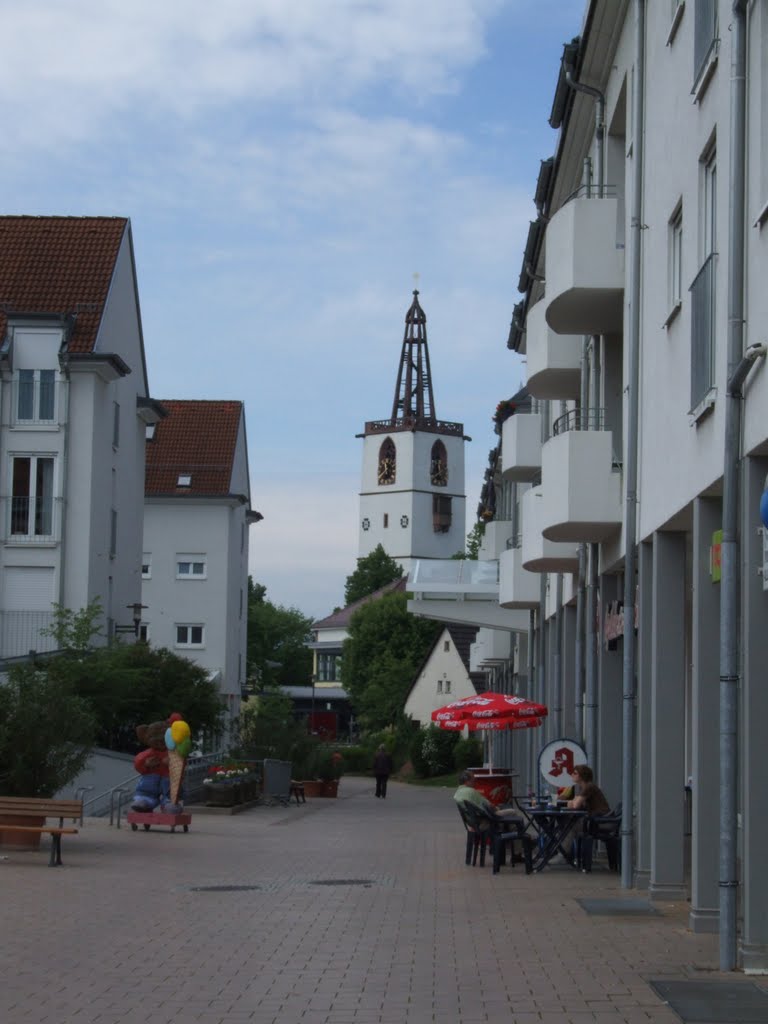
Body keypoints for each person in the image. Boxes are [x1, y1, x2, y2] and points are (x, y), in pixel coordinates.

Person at [453, 771, 520, 821]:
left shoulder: (457, 793)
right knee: (512, 812)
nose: (475, 783)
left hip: (472, 820)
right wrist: (497, 808)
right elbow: (489, 806)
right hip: (485, 819)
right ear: (467, 781)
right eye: (473, 781)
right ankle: (516, 836)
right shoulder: (471, 791)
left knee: (503, 809)